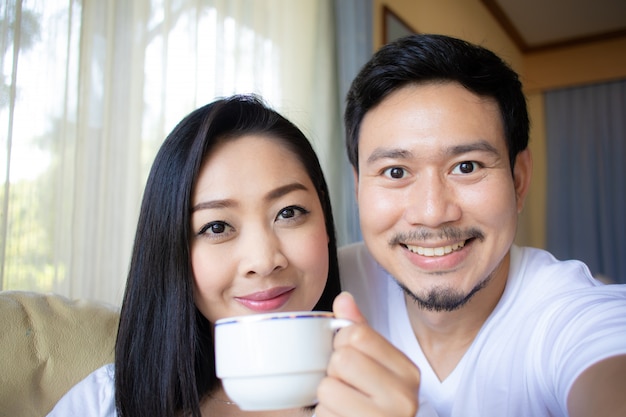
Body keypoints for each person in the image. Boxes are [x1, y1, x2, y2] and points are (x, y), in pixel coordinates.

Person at [47, 95, 424, 417]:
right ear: (172, 251)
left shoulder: (387, 400)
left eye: (289, 212)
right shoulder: (104, 403)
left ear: (326, 224)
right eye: (216, 227)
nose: (263, 259)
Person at [339, 33, 626, 417]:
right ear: (358, 189)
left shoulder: (571, 316)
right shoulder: (327, 282)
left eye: (466, 167)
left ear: (519, 180)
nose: (432, 212)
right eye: (395, 171)